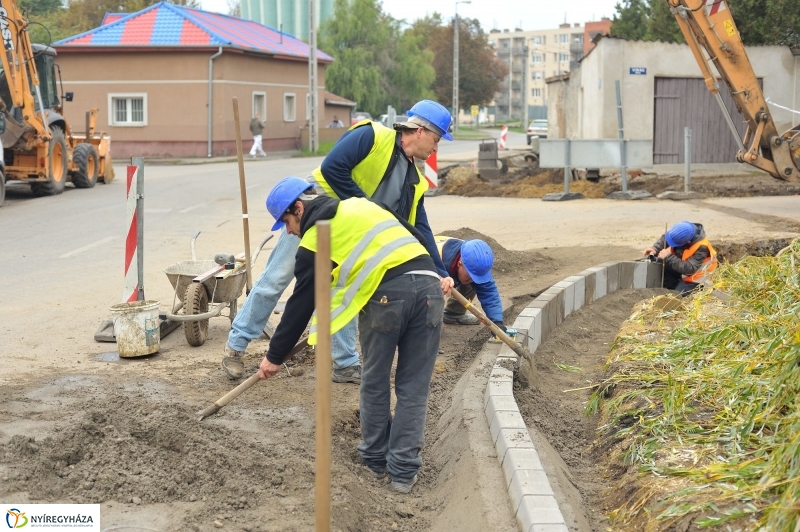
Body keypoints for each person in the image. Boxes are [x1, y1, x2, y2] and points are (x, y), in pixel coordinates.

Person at [221, 99, 456, 381]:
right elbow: (333, 168)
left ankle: (345, 363)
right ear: (420, 130)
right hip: (310, 213)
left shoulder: (413, 180)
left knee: (344, 289)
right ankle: (236, 345)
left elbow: (419, 226)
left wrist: (440, 270)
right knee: (278, 277)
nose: (436, 148)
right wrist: (363, 208)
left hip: (351, 229)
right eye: (436, 139)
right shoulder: (372, 136)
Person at [259, 177, 450, 494]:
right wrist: (441, 273)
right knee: (414, 387)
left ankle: (375, 461)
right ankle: (403, 474)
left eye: (287, 223)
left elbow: (301, 303)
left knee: (375, 381)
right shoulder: (361, 205)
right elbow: (414, 233)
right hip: (430, 288)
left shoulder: (315, 240)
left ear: (299, 208)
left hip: (387, 297)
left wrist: (274, 356)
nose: (289, 232)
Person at [436, 236, 505, 328]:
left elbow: (488, 291)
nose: (472, 280)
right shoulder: (438, 260)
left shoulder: (474, 259)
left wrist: (497, 321)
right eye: (470, 276)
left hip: (452, 267)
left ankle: (453, 314)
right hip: (425, 270)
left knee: (476, 281)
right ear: (459, 263)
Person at [643, 221, 717, 295]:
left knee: (677, 295)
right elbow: (667, 239)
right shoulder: (680, 231)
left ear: (688, 242)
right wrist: (655, 249)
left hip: (696, 277)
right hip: (682, 266)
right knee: (660, 262)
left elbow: (689, 269)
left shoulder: (702, 247)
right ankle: (673, 284)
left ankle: (680, 286)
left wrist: (668, 256)